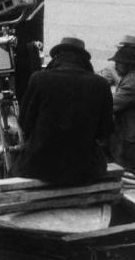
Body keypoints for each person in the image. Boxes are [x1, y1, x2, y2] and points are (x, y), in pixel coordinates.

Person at [13, 37, 114, 185]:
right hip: (85, 171)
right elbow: (105, 132)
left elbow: (24, 123)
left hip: (39, 168)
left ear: (57, 56)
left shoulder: (39, 79)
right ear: (84, 59)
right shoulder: (102, 84)